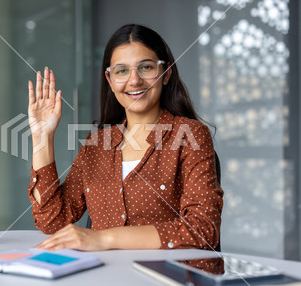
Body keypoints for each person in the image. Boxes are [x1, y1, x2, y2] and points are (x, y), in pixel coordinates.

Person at [27, 24, 223, 251]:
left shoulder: (190, 135)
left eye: (146, 67)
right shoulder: (96, 145)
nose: (134, 80)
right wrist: (42, 136)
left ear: (166, 74)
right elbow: (52, 221)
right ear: (110, 81)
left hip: (166, 280)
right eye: (121, 71)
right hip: (103, 279)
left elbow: (203, 230)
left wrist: (103, 239)